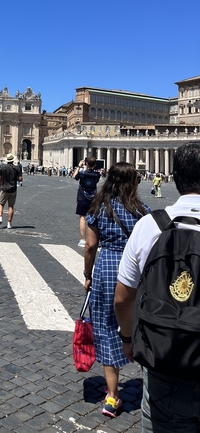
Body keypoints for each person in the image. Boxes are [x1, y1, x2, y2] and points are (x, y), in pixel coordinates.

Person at [115, 142, 200, 432]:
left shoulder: (151, 225)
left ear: (174, 177)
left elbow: (123, 299)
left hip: (165, 358)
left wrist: (128, 339)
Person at [83, 162, 151, 418]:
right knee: (143, 326)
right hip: (137, 271)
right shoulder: (143, 211)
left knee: (107, 326)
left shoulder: (99, 207)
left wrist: (87, 274)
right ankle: (152, 389)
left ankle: (112, 397)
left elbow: (90, 246)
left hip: (108, 267)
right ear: (134, 182)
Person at [73, 157, 100, 247]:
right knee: (93, 219)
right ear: (95, 165)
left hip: (82, 198)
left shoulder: (82, 173)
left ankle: (83, 240)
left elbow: (74, 176)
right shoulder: (97, 175)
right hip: (93, 199)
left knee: (83, 218)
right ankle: (93, 239)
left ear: (86, 164)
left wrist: (79, 166)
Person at [0, 153, 23, 229]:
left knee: (1, 204)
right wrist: (15, 178)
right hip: (13, 189)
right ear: (12, 160)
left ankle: (0, 218)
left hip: (4, 188)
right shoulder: (17, 168)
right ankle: (9, 223)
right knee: (11, 206)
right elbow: (20, 179)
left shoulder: (2, 167)